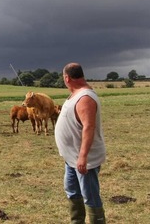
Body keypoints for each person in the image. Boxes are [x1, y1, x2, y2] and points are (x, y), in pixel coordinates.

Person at [55, 63, 106, 224]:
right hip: (71, 158)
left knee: (90, 195)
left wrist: (83, 157)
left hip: (83, 159)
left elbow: (89, 127)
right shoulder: (76, 94)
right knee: (72, 192)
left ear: (67, 78)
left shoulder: (85, 98)